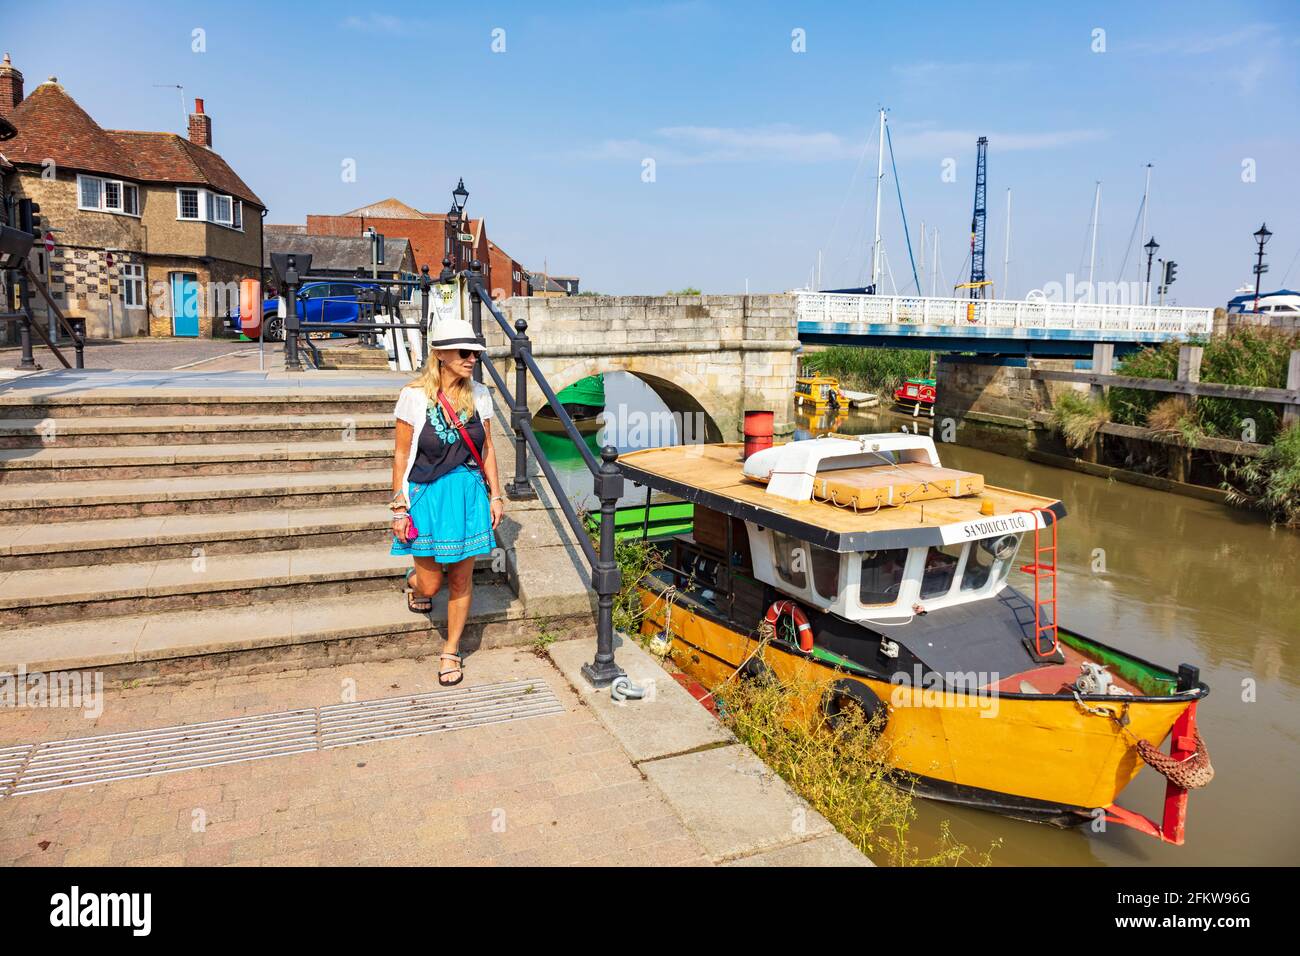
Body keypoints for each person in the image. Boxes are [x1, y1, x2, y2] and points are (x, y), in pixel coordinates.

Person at [389, 317, 505, 686]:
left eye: (475, 353)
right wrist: (399, 506)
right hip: (426, 493)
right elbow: (401, 454)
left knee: (460, 578)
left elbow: (486, 448)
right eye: (464, 352)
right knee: (430, 585)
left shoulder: (481, 394)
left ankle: (451, 650)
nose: (472, 358)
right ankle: (414, 584)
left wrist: (496, 494)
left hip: (468, 493)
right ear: (439, 354)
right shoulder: (414, 396)